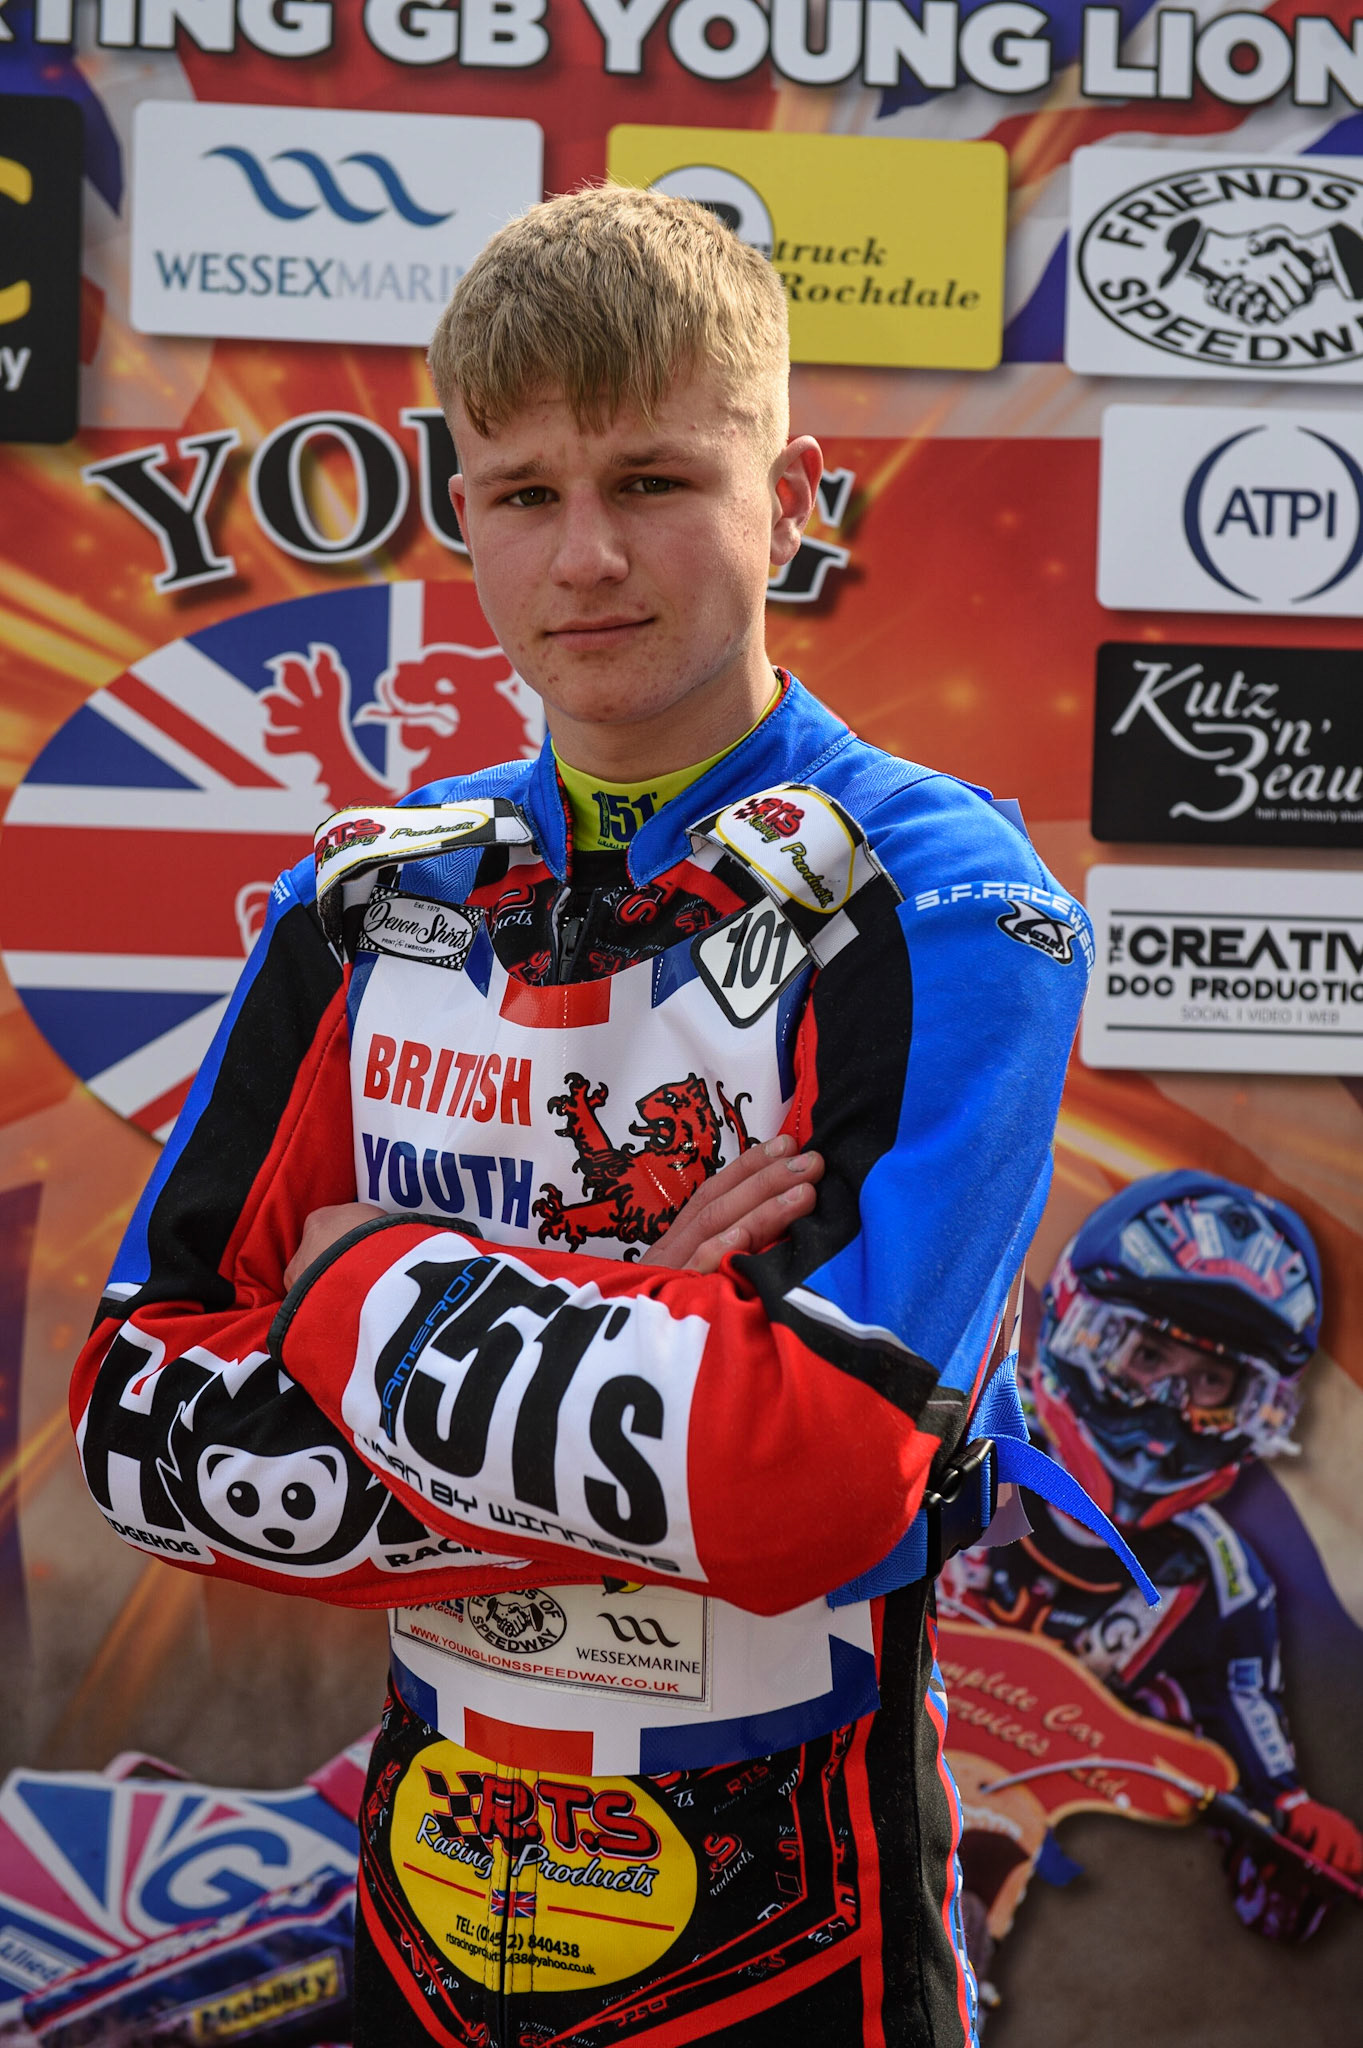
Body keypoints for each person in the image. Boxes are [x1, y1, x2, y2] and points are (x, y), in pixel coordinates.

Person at [72, 187, 1092, 2048]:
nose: (587, 557)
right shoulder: (366, 894)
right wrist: (648, 1373)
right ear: (461, 511)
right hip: (424, 1900)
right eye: (524, 492)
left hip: (794, 1920)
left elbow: (812, 1478)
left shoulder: (939, 892)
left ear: (788, 491)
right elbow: (138, 1422)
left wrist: (364, 1285)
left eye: (653, 480)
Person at [945, 1168, 1363, 1952]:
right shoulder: (964, 1445)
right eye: (1147, 1355)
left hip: (1004, 1865)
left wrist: (1298, 1840)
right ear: (1080, 1331)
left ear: (1256, 1405)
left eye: (1211, 1381)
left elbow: (1267, 1846)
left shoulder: (1215, 1582)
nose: (1171, 1411)